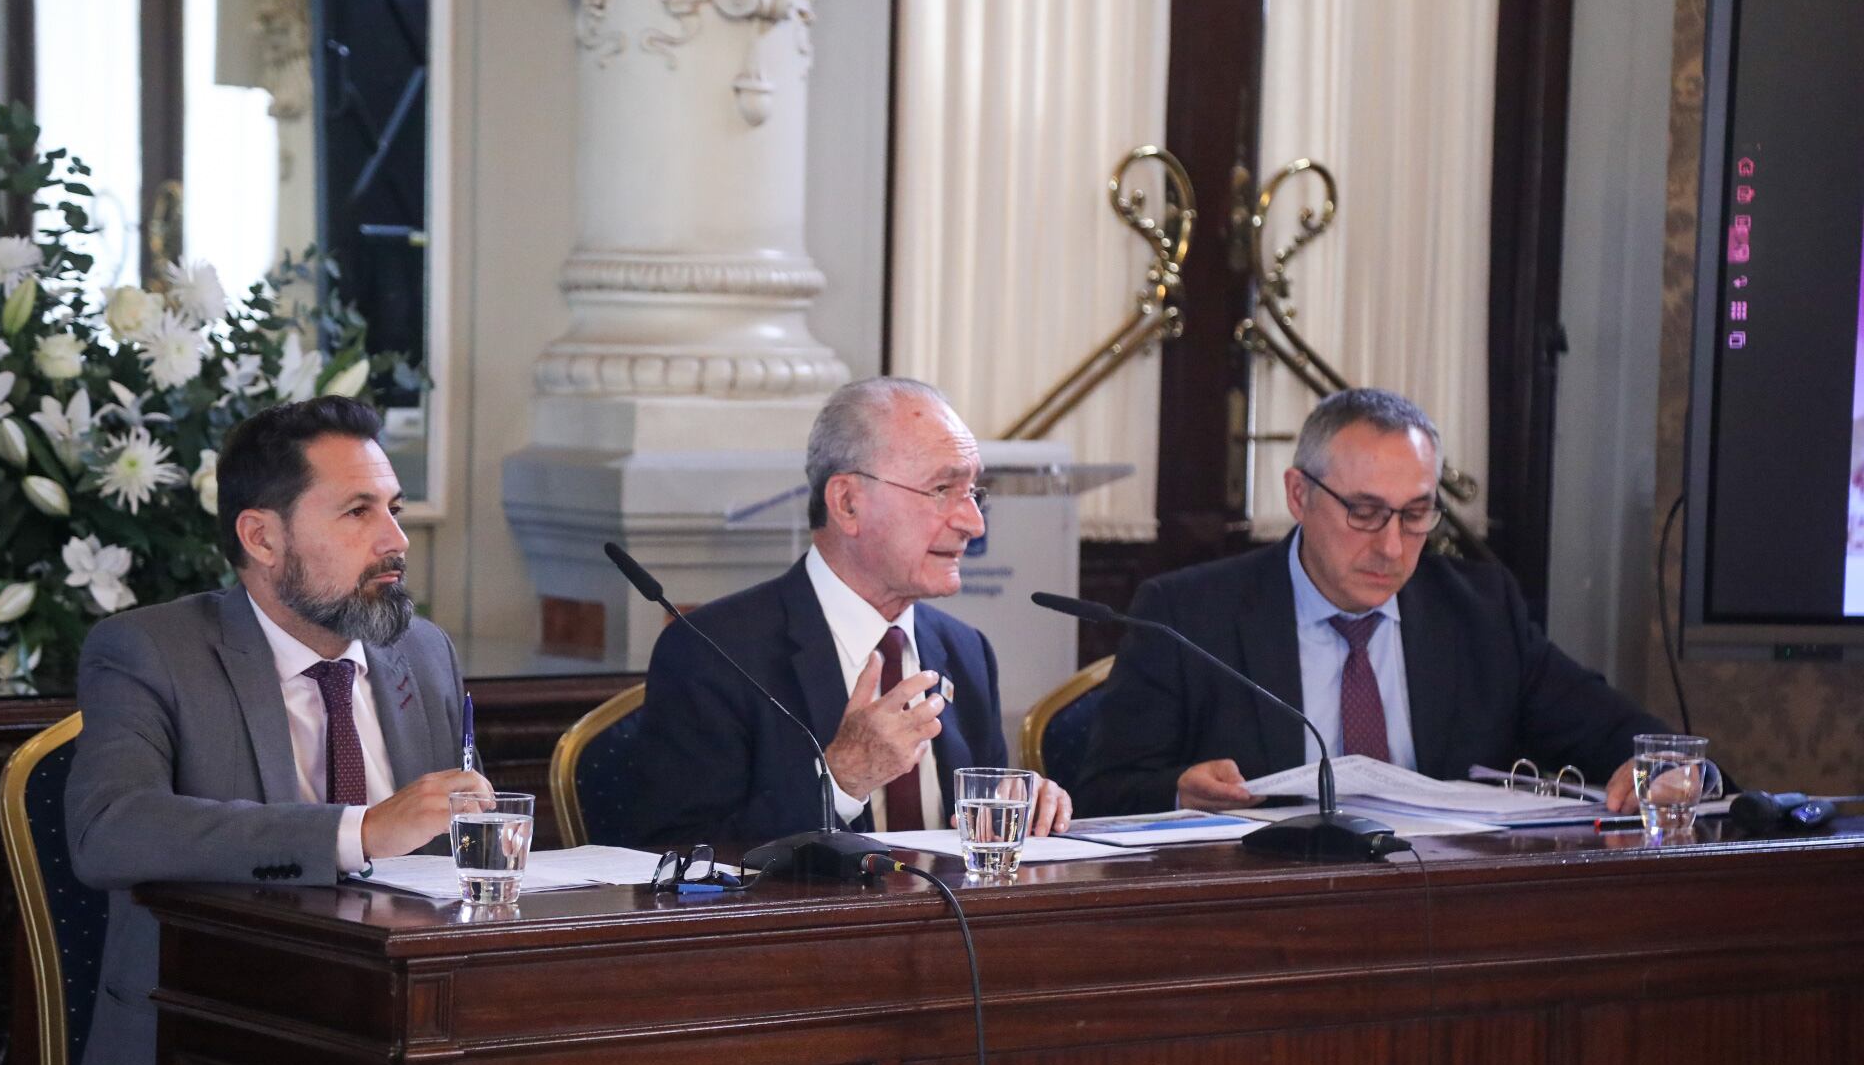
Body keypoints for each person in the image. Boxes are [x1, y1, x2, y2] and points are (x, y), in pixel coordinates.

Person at [61, 396, 486, 1065]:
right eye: (358, 511)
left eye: (392, 508)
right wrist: (359, 831)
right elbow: (110, 829)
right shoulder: (151, 652)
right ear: (261, 536)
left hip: (405, 1048)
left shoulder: (421, 652)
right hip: (217, 1058)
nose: (395, 540)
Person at [1066, 388, 1667, 818]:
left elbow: (1624, 734)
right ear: (1299, 494)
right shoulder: (1187, 615)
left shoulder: (1479, 612)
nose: (1391, 546)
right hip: (1261, 922)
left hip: (1444, 916)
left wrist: (1667, 771)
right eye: (1365, 511)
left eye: (1415, 515)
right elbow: (1101, 792)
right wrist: (1178, 792)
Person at [612, 377, 1072, 847]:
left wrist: (1022, 808)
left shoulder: (965, 650)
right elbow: (676, 860)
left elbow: (975, 841)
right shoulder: (714, 652)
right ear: (848, 503)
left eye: (974, 492)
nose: (973, 523)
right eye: (940, 490)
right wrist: (839, 783)